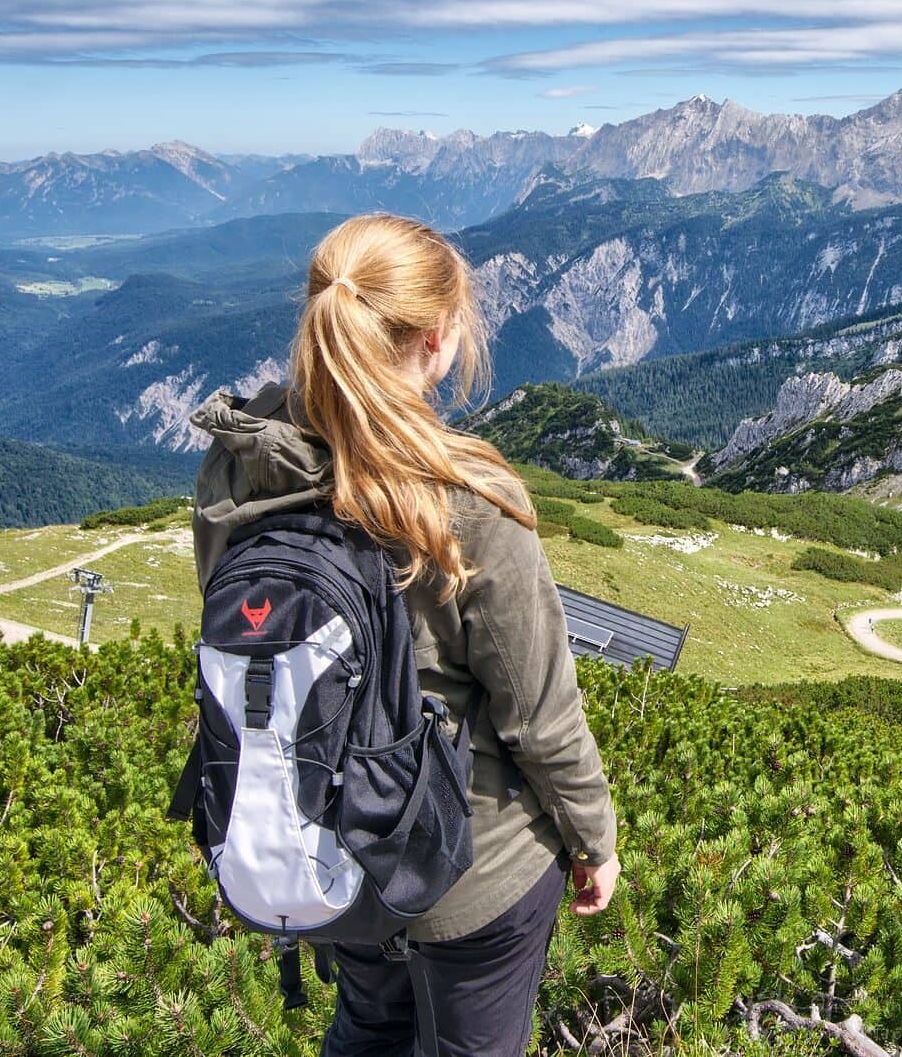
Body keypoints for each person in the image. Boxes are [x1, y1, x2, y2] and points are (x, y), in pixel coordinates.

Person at [189, 213, 619, 1057]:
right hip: (473, 870)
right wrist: (592, 838)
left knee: (369, 1025)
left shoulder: (242, 466)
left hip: (334, 843)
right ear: (438, 336)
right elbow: (538, 714)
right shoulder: (467, 497)